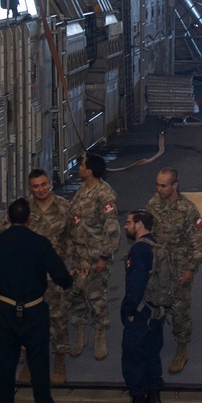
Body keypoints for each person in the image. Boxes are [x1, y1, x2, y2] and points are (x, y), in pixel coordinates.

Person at [0, 198, 73, 403]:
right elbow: (60, 275)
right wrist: (68, 280)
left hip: (6, 309)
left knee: (5, 363)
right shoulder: (40, 243)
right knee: (38, 363)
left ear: (8, 218)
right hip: (35, 309)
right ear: (29, 219)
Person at [14, 169, 73, 386]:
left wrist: (74, 266)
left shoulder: (64, 207)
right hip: (29, 276)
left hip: (55, 275)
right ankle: (28, 362)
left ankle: (59, 360)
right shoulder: (23, 209)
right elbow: (11, 236)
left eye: (44, 184)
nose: (41, 190)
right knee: (27, 320)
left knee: (58, 319)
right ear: (30, 188)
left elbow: (76, 237)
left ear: (50, 183)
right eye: (36, 186)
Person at [146, 167, 202, 374]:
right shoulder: (153, 205)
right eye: (157, 185)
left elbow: (197, 244)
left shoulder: (188, 210)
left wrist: (190, 268)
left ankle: (182, 348)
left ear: (174, 186)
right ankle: (154, 342)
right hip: (157, 267)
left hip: (180, 267)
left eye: (163, 186)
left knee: (179, 310)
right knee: (153, 305)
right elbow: (146, 235)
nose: (159, 189)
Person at [66, 153, 121, 361]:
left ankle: (100, 334)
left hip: (96, 254)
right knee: (76, 294)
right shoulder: (82, 191)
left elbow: (113, 230)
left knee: (96, 297)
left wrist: (104, 257)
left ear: (89, 171)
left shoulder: (105, 195)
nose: (78, 168)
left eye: (81, 165)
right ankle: (80, 332)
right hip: (77, 255)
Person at [113, 210, 166, 403]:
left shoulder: (138, 250)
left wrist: (130, 311)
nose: (125, 227)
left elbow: (135, 285)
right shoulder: (157, 246)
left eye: (128, 223)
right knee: (152, 353)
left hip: (141, 312)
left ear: (139, 224)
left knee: (133, 356)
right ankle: (154, 398)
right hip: (157, 310)